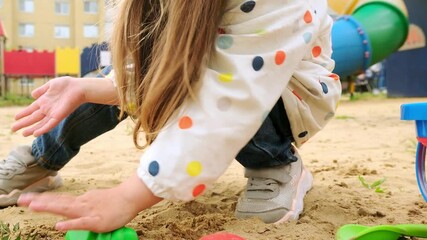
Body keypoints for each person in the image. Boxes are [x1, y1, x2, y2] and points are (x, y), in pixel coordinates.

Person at [1, 0, 341, 233]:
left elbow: (235, 91)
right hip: (201, 70)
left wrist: (131, 196)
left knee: (224, 82)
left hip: (285, 86)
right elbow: (159, 72)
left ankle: (276, 164)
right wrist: (89, 89)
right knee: (101, 81)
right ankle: (40, 162)